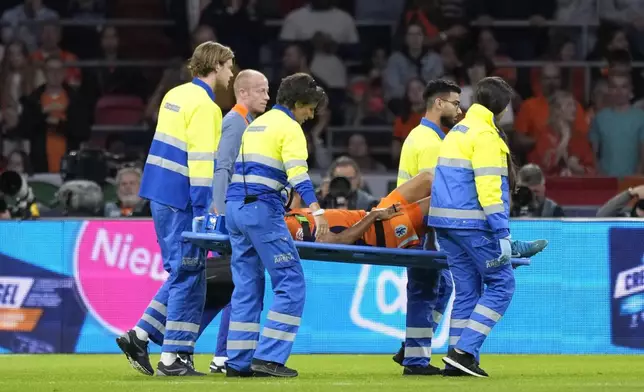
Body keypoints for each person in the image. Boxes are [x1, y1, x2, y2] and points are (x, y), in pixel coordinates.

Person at [115, 41, 235, 377]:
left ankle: (140, 336)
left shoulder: (175, 95)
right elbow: (199, 161)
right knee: (190, 272)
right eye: (228, 66)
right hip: (183, 198)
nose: (230, 73)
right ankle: (174, 358)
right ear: (215, 65)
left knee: (184, 271)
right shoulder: (207, 107)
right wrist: (202, 209)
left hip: (158, 192)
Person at [224, 73, 328, 378]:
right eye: (310, 108)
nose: (311, 114)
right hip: (261, 210)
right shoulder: (290, 128)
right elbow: (298, 174)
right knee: (291, 283)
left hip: (235, 208)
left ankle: (238, 361)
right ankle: (268, 358)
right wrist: (316, 210)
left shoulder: (256, 123)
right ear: (297, 104)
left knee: (246, 287)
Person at [428, 76, 517, 378]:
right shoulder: (487, 137)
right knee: (502, 284)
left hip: (444, 223)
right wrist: (502, 231)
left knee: (467, 290)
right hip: (472, 224)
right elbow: (489, 189)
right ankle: (464, 352)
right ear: (501, 108)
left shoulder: (458, 130)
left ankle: (456, 359)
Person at [395, 78, 462, 376]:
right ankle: (415, 360)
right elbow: (432, 193)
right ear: (439, 103)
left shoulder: (419, 136)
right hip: (422, 228)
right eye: (455, 103)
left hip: (413, 225)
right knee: (425, 288)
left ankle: (412, 346)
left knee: (441, 285)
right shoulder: (430, 142)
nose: (459, 111)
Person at [208, 69, 270, 373]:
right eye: (261, 91)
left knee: (240, 287)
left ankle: (224, 353)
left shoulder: (248, 123)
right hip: (233, 215)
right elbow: (223, 169)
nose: (267, 97)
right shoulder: (235, 122)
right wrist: (219, 212)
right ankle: (224, 354)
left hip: (239, 213)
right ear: (242, 93)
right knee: (242, 288)